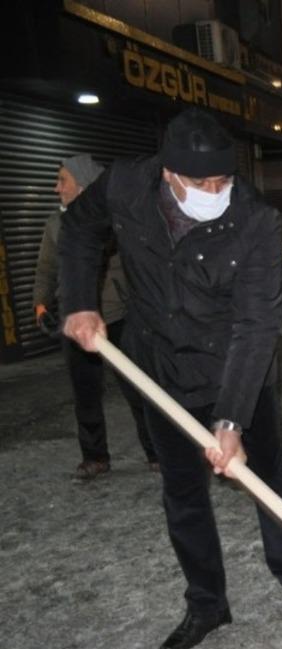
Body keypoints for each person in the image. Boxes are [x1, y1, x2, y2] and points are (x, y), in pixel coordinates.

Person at [58, 108, 282, 649]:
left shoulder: (255, 219)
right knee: (182, 491)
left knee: (269, 476)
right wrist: (80, 302)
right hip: (160, 367)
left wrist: (231, 421)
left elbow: (258, 323)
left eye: (223, 180)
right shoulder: (126, 184)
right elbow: (79, 227)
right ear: (168, 173)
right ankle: (207, 603)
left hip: (237, 369)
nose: (215, 192)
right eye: (201, 183)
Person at [33, 154, 158, 479]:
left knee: (138, 389)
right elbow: (46, 267)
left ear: (84, 185)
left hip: (118, 316)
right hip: (76, 323)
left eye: (63, 180)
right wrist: (40, 304)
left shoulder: (116, 218)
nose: (57, 187)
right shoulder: (55, 224)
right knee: (85, 394)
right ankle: (95, 457)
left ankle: (156, 451)